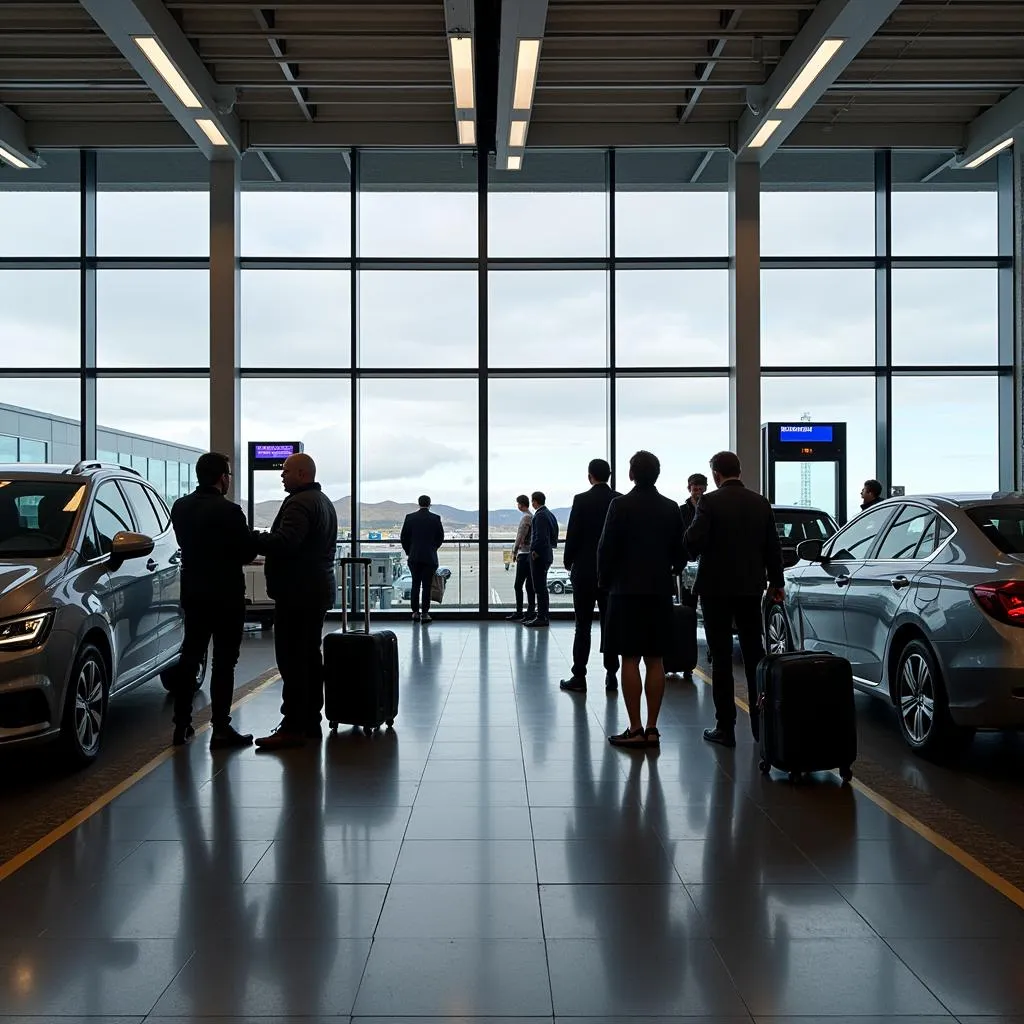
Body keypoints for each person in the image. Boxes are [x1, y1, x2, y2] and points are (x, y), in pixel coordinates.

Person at [684, 450, 784, 748]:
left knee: (721, 658)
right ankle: (759, 726)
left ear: (715, 474)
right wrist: (776, 582)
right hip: (751, 589)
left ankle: (725, 727)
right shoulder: (760, 502)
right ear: (738, 471)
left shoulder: (709, 502)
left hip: (715, 590)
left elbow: (693, 541)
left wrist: (691, 547)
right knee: (755, 655)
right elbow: (772, 546)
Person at [169, 452, 258, 749]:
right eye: (229, 474)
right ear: (222, 477)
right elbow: (246, 553)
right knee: (224, 662)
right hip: (226, 596)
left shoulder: (180, 507)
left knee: (190, 655)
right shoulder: (230, 512)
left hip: (194, 592)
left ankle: (181, 724)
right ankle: (220, 727)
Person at [597, 451, 685, 748]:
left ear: (631, 474)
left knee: (630, 659)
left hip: (625, 592)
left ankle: (634, 728)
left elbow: (606, 549)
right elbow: (680, 554)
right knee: (656, 659)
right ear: (657, 475)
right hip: (659, 591)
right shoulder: (671, 507)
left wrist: (605, 582)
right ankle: (652, 727)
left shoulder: (620, 505)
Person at [253, 452, 338, 751]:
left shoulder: (300, 503)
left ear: (303, 474)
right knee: (310, 658)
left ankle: (292, 726)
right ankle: (310, 722)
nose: (281, 475)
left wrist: (253, 539)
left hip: (297, 592)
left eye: (286, 470)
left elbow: (287, 543)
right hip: (316, 590)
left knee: (291, 660)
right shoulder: (323, 502)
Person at [560, 459, 620, 693]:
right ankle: (612, 674)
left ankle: (579, 675)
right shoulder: (619, 499)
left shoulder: (581, 500)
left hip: (584, 571)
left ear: (589, 476)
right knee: (610, 624)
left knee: (582, 625)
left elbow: (573, 533)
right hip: (611, 573)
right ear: (610, 475)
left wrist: (568, 561)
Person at [400, 495, 445, 624]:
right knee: (427, 586)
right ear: (430, 504)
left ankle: (415, 612)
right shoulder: (435, 519)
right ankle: (425, 613)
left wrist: (410, 551)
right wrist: (433, 549)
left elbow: (404, 538)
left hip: (414, 557)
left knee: (415, 585)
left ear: (418, 504)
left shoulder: (410, 518)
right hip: (429, 557)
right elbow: (440, 537)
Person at [525, 490, 558, 628]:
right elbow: (553, 534)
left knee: (539, 587)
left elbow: (540, 536)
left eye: (532, 501)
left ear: (535, 501)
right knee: (541, 586)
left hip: (539, 555)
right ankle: (542, 615)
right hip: (547, 554)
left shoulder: (540, 515)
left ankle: (541, 617)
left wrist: (535, 551)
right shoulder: (549, 514)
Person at [506, 494, 535, 622]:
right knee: (529, 585)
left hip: (524, 555)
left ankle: (519, 611)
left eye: (518, 503)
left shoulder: (526, 518)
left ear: (521, 504)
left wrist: (514, 551)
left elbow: (520, 536)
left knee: (518, 585)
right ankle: (530, 611)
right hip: (531, 555)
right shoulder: (532, 516)